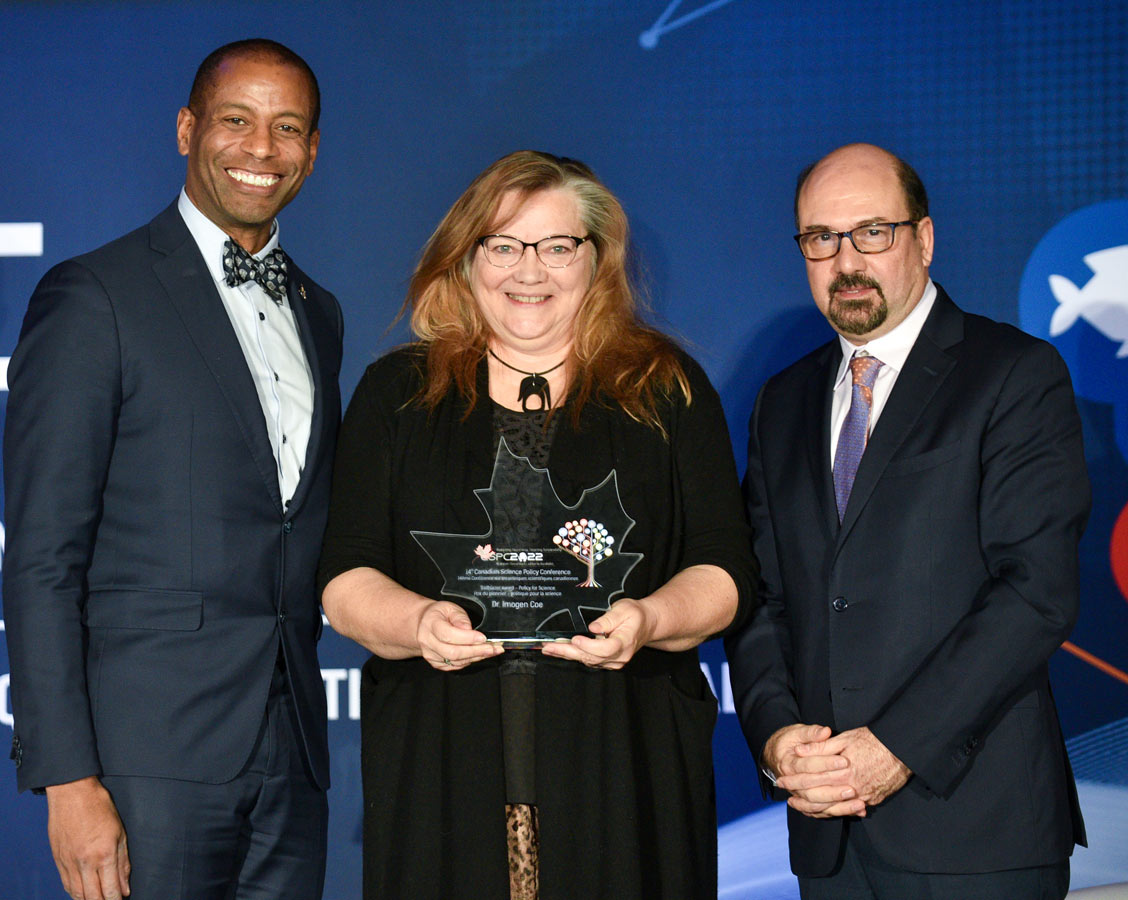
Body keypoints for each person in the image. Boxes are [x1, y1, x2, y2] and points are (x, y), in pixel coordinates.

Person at [318, 150, 757, 900]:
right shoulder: (397, 394)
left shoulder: (665, 390)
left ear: (597, 261)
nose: (531, 271)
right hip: (442, 763)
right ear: (466, 257)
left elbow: (723, 570)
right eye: (504, 245)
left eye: (557, 247)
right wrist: (419, 621)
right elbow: (345, 575)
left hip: (625, 763)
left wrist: (649, 617)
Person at [2, 39, 342, 900]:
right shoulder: (95, 296)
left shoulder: (320, 310)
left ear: (312, 150)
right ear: (188, 129)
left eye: (287, 127)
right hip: (143, 762)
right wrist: (67, 779)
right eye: (236, 120)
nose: (261, 149)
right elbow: (44, 557)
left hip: (292, 753)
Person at [727, 142, 1089, 899]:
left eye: (872, 232)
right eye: (821, 238)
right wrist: (778, 739)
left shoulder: (1013, 374)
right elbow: (761, 596)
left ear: (923, 239)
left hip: (975, 827)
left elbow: (1035, 592)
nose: (845, 259)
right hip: (828, 830)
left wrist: (896, 748)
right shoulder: (781, 403)